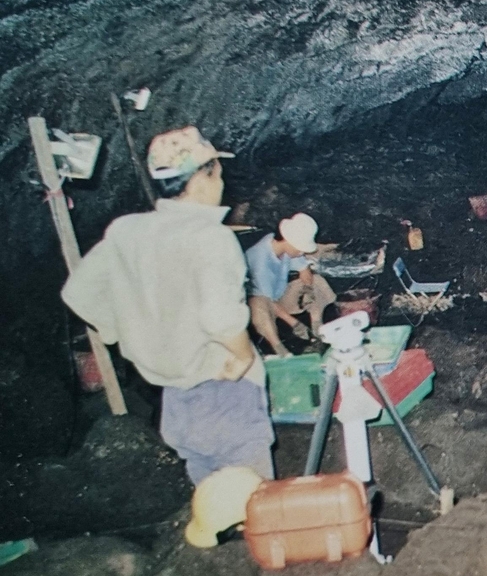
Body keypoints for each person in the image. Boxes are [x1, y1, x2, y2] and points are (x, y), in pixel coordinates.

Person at [61, 126, 274, 485]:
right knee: (253, 499)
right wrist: (242, 358)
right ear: (203, 177)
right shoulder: (211, 237)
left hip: (173, 399)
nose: (221, 181)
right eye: (217, 171)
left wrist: (126, 334)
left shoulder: (127, 230)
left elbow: (79, 292)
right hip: (223, 392)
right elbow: (220, 317)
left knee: (210, 497)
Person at [245, 214, 337, 357]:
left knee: (317, 280)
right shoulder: (260, 260)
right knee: (259, 304)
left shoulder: (285, 248)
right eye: (300, 248)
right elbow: (269, 301)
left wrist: (307, 291)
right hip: (265, 304)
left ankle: (317, 331)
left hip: (280, 293)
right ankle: (280, 350)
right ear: (287, 240)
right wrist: (294, 323)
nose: (302, 252)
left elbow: (304, 270)